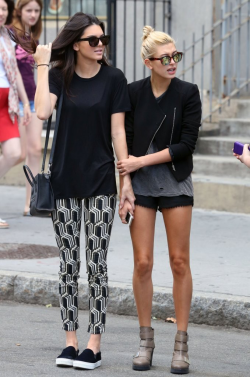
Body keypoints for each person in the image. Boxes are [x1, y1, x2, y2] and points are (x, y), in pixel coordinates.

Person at [11, 11, 135, 369]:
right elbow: (42, 112)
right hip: (64, 182)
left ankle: (93, 344)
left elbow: (118, 133)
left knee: (96, 264)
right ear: (76, 44)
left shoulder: (114, 79)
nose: (100, 46)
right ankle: (70, 341)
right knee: (68, 264)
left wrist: (125, 179)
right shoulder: (58, 75)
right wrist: (42, 64)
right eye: (93, 40)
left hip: (99, 183)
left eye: (103, 40)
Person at [117, 26, 202, 374]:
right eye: (164, 58)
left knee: (179, 261)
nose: (172, 62)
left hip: (176, 182)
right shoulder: (133, 92)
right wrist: (126, 183)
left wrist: (141, 162)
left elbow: (186, 145)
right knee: (142, 263)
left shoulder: (188, 93)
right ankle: (145, 341)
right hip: (140, 186)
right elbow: (123, 141)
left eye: (176, 56)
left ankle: (181, 343)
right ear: (147, 61)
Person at [0, 0, 31, 229]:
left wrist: (25, 106)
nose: (1, 13)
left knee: (16, 152)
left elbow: (17, 74)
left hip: (6, 105)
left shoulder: (7, 37)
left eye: (3, 9)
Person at [11, 0, 43, 216]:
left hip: (34, 100)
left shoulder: (34, 39)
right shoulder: (8, 36)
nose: (33, 14)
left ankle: (30, 203)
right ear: (20, 11)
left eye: (37, 11)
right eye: (29, 10)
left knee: (36, 149)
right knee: (19, 153)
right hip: (16, 102)